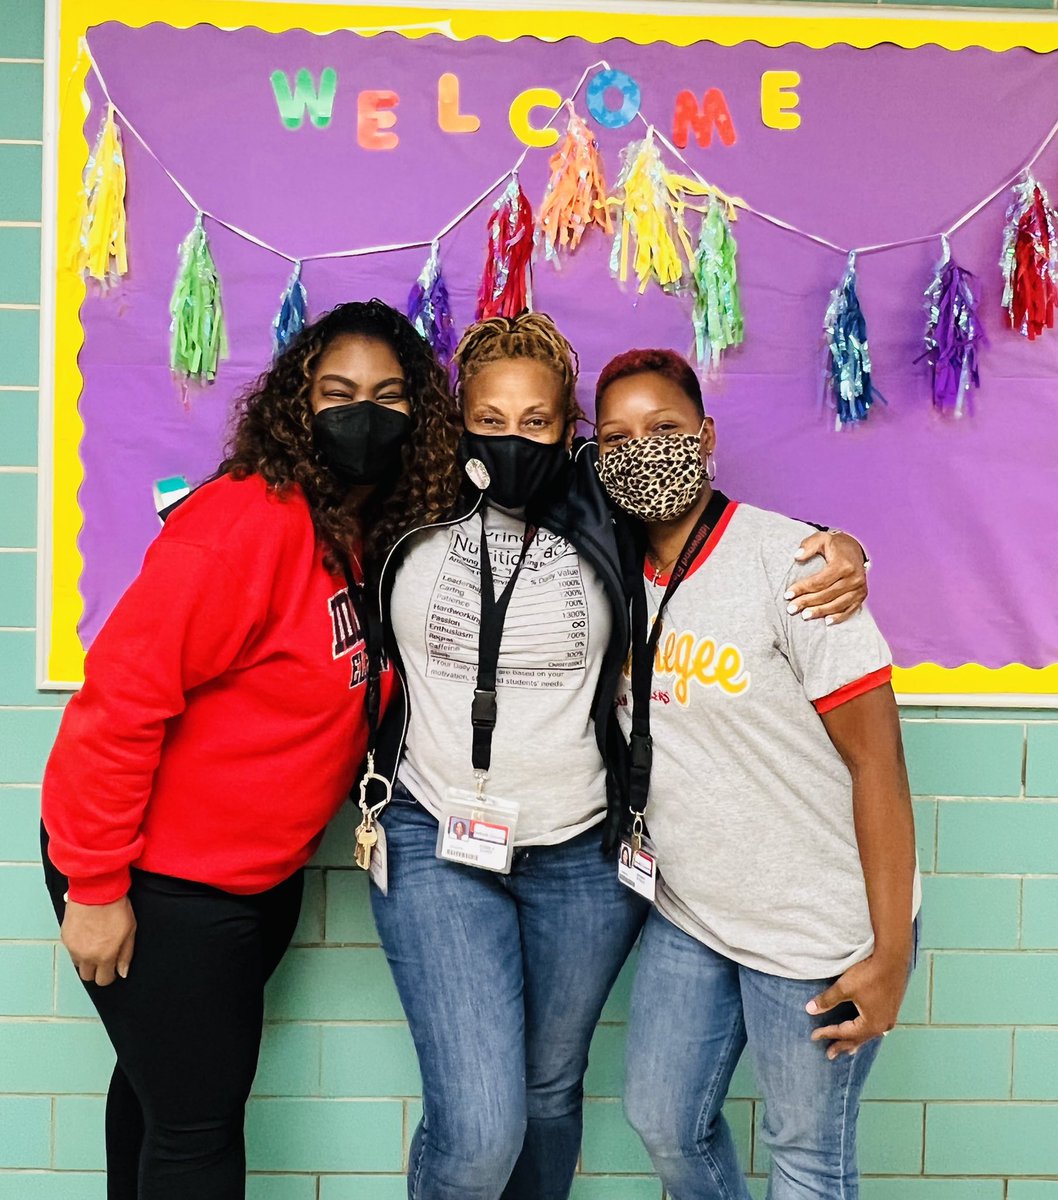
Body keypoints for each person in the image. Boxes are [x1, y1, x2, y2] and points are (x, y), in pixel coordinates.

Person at [362, 313, 871, 1200]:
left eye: (536, 421)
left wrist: (845, 548)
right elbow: (302, 502)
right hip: (435, 834)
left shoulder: (604, 500)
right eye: (490, 419)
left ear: (570, 431)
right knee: (479, 1130)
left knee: (549, 1092)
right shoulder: (408, 502)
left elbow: (723, 533)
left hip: (582, 857)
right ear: (459, 420)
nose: (512, 440)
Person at [39, 300, 460, 1200]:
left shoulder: (355, 535)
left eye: (389, 398)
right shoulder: (243, 523)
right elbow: (118, 706)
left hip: (248, 882)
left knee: (162, 1098)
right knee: (197, 1132)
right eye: (338, 393)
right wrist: (96, 885)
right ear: (296, 406)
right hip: (157, 877)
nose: (363, 417)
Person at [592, 348, 920, 1200]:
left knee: (805, 1154)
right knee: (663, 1120)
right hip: (693, 913)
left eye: (664, 428)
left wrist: (891, 955)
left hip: (814, 932)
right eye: (617, 438)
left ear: (705, 437)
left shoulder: (797, 566)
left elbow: (879, 764)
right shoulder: (605, 565)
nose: (642, 451)